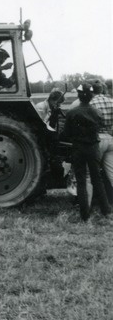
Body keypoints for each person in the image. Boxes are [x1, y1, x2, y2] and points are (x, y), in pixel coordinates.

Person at [61, 83, 109, 220]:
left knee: (81, 181)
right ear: (91, 95)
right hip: (93, 148)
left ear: (79, 95)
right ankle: (106, 211)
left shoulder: (71, 113)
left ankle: (84, 215)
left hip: (78, 149)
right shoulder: (97, 112)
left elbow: (66, 133)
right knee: (97, 179)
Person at [90, 80, 113, 204]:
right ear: (103, 90)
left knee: (93, 171)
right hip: (110, 138)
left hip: (97, 139)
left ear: (92, 91)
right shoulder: (111, 101)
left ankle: (97, 200)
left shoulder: (91, 103)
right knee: (111, 171)